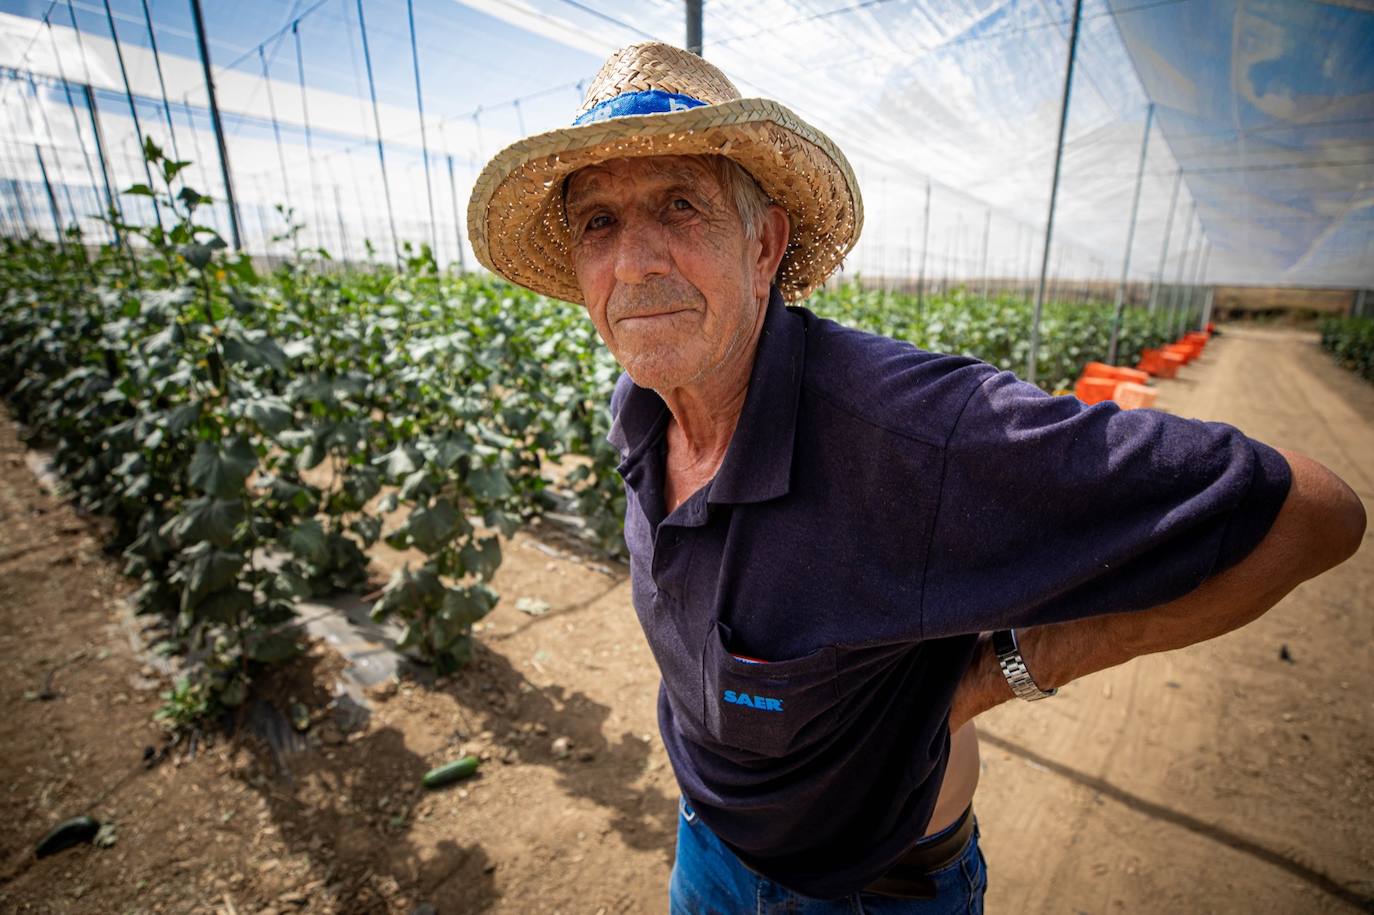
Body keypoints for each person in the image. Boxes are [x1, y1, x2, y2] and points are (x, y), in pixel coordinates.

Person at [467, 41, 1365, 913]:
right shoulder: (644, 401)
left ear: (766, 245)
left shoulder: (914, 434)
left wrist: (994, 676)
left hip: (865, 893)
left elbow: (1311, 513)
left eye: (680, 206)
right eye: (600, 222)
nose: (635, 261)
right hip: (705, 849)